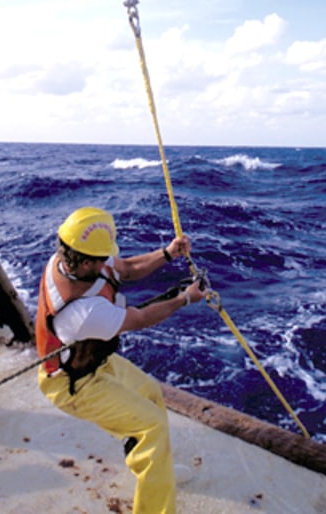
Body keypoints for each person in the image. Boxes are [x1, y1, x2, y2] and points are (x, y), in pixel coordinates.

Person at [35, 205, 208, 514]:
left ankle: (152, 468)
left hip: (93, 362)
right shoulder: (83, 313)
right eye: (102, 259)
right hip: (72, 385)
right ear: (86, 261)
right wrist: (185, 299)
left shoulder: (68, 260)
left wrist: (167, 253)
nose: (107, 263)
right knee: (152, 426)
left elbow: (126, 268)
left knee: (151, 395)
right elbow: (140, 318)